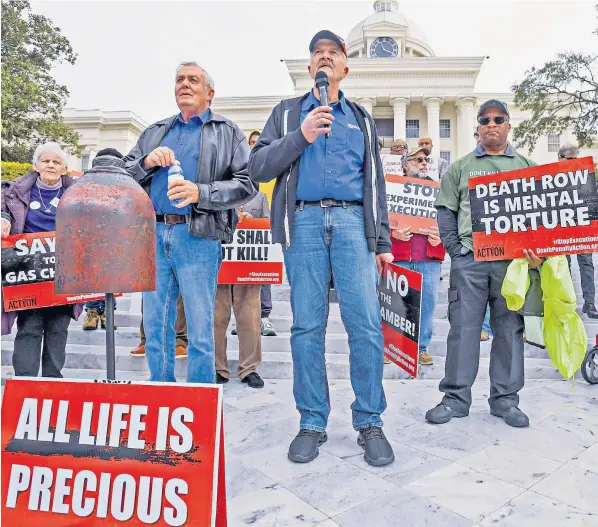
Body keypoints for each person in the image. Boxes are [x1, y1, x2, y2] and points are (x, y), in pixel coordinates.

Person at [249, 30, 395, 467]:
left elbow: (375, 183)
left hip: (352, 222)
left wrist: (383, 242)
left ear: (344, 69)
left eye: (334, 54)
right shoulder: (287, 113)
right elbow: (258, 167)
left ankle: (370, 421)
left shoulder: (362, 118)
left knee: (366, 326)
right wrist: (302, 135)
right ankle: (312, 421)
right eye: (318, 54)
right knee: (306, 328)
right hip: (305, 223)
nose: (325, 59)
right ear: (309, 68)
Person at [123, 61, 254, 384]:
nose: (184, 84)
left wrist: (201, 192)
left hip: (199, 236)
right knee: (155, 323)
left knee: (199, 324)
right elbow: (123, 175)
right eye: (179, 79)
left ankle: (199, 398)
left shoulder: (228, 132)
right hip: (154, 233)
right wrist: (146, 162)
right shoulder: (156, 132)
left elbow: (246, 183)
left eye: (193, 79)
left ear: (209, 92)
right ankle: (161, 390)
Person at [427, 99, 540, 429]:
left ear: (508, 126)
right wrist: (456, 252)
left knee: (508, 330)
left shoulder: (528, 167)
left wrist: (538, 254)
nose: (491, 124)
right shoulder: (459, 168)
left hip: (513, 265)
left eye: (498, 119)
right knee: (463, 330)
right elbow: (445, 212)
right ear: (477, 127)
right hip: (471, 262)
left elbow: (542, 218)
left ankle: (505, 400)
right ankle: (455, 399)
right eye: (485, 119)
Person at [1, 142, 84, 377]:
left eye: (56, 162)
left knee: (58, 329)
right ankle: (25, 384)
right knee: (29, 328)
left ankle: (52, 385)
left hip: (63, 272)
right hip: (27, 272)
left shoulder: (78, 193)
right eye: (46, 161)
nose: (50, 165)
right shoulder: (12, 191)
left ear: (64, 168)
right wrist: (3, 217)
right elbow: (2, 208)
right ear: (35, 165)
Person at [390, 146, 445, 367]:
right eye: (418, 159)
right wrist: (392, 233)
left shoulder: (438, 190)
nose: (423, 162)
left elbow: (448, 219)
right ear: (405, 164)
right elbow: (379, 220)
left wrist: (440, 236)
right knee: (395, 304)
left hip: (428, 256)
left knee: (427, 305)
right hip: (399, 254)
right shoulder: (391, 187)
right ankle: (393, 347)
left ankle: (421, 348)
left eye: (426, 159)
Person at [215, 186, 269, 388]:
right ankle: (218, 368)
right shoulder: (217, 193)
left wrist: (251, 221)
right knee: (216, 317)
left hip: (248, 267)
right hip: (221, 263)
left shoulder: (260, 197)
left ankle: (249, 369)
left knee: (250, 319)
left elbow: (267, 227)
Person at [82, 148, 122, 332]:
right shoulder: (88, 184)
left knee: (110, 278)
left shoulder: (122, 185)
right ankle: (91, 312)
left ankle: (107, 311)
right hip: (91, 238)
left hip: (114, 240)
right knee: (92, 278)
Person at [557, 144, 598, 319]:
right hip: (562, 228)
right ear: (560, 158)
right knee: (564, 266)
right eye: (570, 158)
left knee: (586, 264)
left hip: (583, 227)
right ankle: (566, 302)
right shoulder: (551, 177)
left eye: (576, 159)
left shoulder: (586, 177)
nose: (574, 162)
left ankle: (589, 303)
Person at [246, 129, 277, 336]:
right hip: (237, 239)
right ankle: (243, 321)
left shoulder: (273, 164)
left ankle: (263, 317)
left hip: (263, 230)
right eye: (252, 142)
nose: (255, 145)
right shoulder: (239, 165)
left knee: (262, 275)